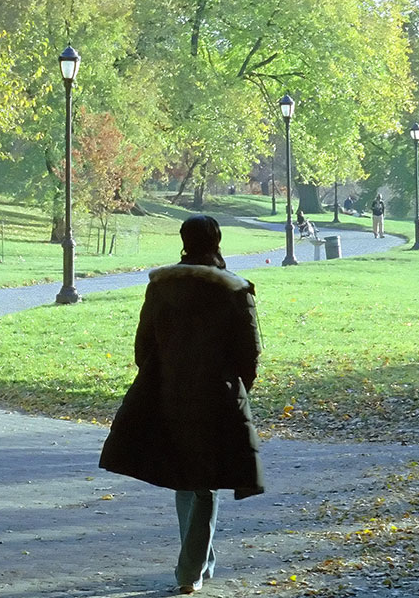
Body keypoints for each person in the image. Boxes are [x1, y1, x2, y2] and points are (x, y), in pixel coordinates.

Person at [99, 216, 264, 595]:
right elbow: (249, 352)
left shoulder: (161, 287)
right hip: (216, 396)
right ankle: (190, 570)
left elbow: (144, 345)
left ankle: (199, 560)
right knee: (204, 483)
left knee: (185, 479)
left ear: (184, 241)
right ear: (216, 242)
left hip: (170, 392)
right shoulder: (235, 290)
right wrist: (239, 391)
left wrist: (162, 377)